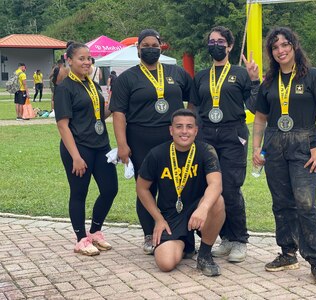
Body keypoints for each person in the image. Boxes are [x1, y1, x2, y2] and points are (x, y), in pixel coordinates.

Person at [252, 27, 316, 285]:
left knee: (306, 204)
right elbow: (260, 117)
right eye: (275, 47)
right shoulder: (269, 81)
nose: (281, 50)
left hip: (304, 144)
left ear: (294, 46)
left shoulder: (312, 76)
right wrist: (256, 148)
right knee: (281, 203)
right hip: (274, 145)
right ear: (272, 52)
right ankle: (288, 253)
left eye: (285, 45)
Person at [109, 29, 193, 255]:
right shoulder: (127, 78)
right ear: (137, 49)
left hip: (174, 140)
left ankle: (178, 231)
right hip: (140, 140)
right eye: (145, 45)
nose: (150, 49)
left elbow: (193, 99)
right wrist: (122, 144)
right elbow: (118, 113)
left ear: (161, 46)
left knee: (178, 185)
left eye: (154, 45)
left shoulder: (176, 72)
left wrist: (190, 128)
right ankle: (149, 233)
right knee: (146, 186)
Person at [188, 26, 260, 263]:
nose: (215, 45)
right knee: (210, 188)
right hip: (206, 135)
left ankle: (239, 239)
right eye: (212, 41)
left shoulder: (240, 73)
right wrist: (190, 134)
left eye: (220, 41)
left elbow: (255, 106)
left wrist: (255, 80)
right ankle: (225, 238)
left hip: (233, 134)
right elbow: (194, 109)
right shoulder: (200, 75)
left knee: (229, 188)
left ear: (229, 46)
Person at [136, 109, 225, 276]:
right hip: (171, 216)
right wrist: (158, 219)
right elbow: (141, 188)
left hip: (198, 211)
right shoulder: (157, 154)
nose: (184, 131)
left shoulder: (206, 150)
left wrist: (203, 208)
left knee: (217, 201)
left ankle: (205, 256)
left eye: (189, 127)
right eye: (179, 127)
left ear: (196, 130)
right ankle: (185, 244)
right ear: (171, 130)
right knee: (165, 263)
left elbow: (216, 184)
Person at [54, 41, 118, 256]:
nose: (86, 62)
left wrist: (115, 103)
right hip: (79, 148)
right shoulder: (65, 87)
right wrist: (76, 157)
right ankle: (81, 239)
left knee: (110, 189)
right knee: (79, 193)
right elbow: (62, 125)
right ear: (69, 60)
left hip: (101, 146)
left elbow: (101, 115)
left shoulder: (91, 84)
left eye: (88, 58)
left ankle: (95, 231)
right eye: (81, 58)